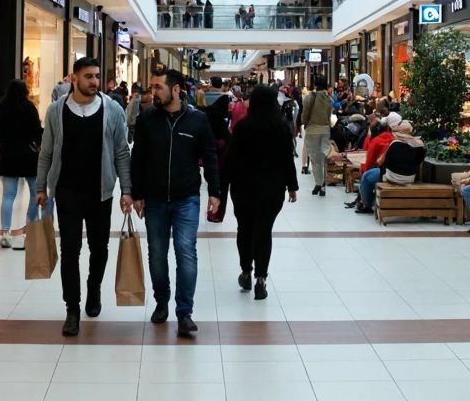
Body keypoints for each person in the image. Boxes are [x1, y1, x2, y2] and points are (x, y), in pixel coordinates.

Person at [35, 57, 133, 337]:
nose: (94, 81)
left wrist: (126, 190)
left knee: (99, 249)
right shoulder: (56, 110)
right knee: (70, 250)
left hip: (99, 191)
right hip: (66, 191)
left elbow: (121, 152)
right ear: (73, 78)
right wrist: (41, 187)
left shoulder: (112, 109)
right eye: (88, 76)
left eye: (97, 76)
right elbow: (47, 152)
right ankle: (72, 309)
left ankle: (94, 289)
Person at [130, 68, 221, 337]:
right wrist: (137, 193)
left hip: (186, 198)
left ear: (177, 90)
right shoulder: (147, 119)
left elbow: (210, 157)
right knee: (157, 254)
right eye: (152, 87)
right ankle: (161, 302)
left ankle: (184, 312)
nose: (153, 92)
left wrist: (215, 192)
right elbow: (139, 159)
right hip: (156, 199)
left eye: (158, 87)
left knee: (185, 251)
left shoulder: (198, 120)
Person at [226, 85, 298, 299]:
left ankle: (246, 271)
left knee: (245, 229)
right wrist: (292, 186)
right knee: (264, 231)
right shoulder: (281, 128)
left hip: (243, 188)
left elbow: (232, 158)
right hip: (272, 189)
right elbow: (287, 160)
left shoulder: (242, 127)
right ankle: (261, 279)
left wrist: (221, 187)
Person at [0, 80, 50, 250]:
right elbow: (36, 130)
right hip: (28, 155)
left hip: (8, 156)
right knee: (35, 193)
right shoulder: (29, 107)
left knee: (8, 195)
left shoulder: (2, 108)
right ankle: (29, 228)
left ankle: (5, 233)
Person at [355, 120, 425, 213]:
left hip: (391, 177)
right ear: (413, 131)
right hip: (410, 178)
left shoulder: (394, 144)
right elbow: (419, 161)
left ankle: (366, 205)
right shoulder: (419, 145)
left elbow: (381, 162)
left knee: (367, 176)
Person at [349, 112, 400, 212]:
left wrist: (363, 169)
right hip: (408, 175)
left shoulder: (378, 141)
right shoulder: (400, 138)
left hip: (389, 173)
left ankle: (366, 204)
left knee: (367, 176)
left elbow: (370, 164)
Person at [301, 76, 333, 195]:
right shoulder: (329, 99)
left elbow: (305, 113)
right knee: (323, 157)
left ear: (315, 85)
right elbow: (329, 115)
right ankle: (323, 184)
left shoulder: (310, 97)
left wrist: (304, 123)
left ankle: (318, 183)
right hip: (325, 130)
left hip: (313, 130)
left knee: (315, 159)